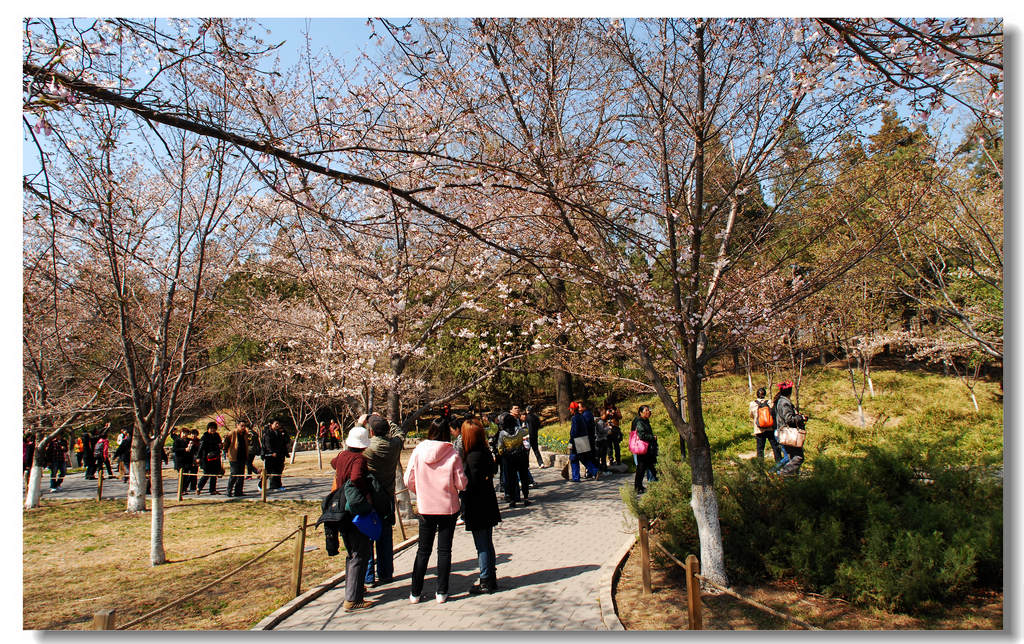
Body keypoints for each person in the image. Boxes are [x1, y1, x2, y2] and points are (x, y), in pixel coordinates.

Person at [404, 417, 467, 604]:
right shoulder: (452, 454)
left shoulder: (418, 451)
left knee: (423, 551)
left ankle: (415, 592)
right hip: (447, 507)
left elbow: (408, 479)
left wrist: (421, 490)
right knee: (444, 550)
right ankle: (441, 592)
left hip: (425, 507)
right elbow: (461, 483)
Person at [330, 425, 377, 612]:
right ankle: (353, 599)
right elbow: (357, 477)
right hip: (354, 508)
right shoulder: (359, 459)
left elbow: (334, 463)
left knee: (351, 551)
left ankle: (355, 588)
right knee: (360, 551)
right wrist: (365, 491)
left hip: (340, 506)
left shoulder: (342, 455)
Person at [461, 418, 501, 594]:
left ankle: (485, 580)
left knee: (482, 544)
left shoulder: (472, 457)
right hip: (487, 502)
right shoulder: (484, 451)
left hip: (477, 504)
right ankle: (491, 577)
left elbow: (471, 483)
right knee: (487, 542)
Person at [362, 414, 403, 587]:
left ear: (370, 431)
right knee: (385, 537)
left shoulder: (367, 448)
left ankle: (369, 576)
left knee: (367, 537)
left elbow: (352, 445)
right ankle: (386, 574)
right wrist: (388, 420)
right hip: (387, 496)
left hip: (370, 497)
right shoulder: (394, 445)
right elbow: (400, 434)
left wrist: (359, 423)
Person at [772, 381, 808, 476]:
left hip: (783, 433)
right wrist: (801, 418)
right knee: (798, 457)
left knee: (791, 457)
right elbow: (789, 419)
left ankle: (790, 480)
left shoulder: (780, 401)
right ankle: (782, 473)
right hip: (789, 434)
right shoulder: (785, 403)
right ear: (790, 391)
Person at [497, 412, 531, 507]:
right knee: (524, 477)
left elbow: (500, 448)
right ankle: (526, 498)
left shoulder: (502, 434)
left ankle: (513, 500)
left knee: (511, 479)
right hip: (521, 457)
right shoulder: (520, 431)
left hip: (509, 459)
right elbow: (527, 432)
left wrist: (503, 453)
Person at [569, 402, 600, 482]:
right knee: (584, 458)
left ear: (573, 409)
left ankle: (576, 477)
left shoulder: (574, 418)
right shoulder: (581, 416)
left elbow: (574, 432)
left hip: (577, 441)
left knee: (574, 458)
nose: (570, 411)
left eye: (570, 409)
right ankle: (595, 471)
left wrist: (571, 442)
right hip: (584, 439)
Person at [750, 387, 783, 461]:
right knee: (775, 447)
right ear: (765, 394)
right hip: (770, 428)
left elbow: (751, 415)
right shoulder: (769, 402)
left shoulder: (752, 404)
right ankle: (779, 463)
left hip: (759, 429)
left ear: (757, 394)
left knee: (760, 449)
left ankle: (761, 466)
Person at [632, 405, 658, 494]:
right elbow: (642, 435)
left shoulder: (645, 421)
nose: (648, 412)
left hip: (647, 448)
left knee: (644, 467)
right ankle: (638, 487)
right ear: (641, 412)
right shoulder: (639, 422)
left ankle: (638, 486)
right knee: (644, 467)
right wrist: (652, 437)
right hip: (643, 448)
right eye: (646, 410)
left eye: (648, 410)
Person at [196, 422, 223, 495]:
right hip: (206, 458)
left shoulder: (217, 435)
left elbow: (220, 445)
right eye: (211, 428)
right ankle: (199, 488)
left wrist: (220, 445)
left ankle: (212, 490)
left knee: (214, 474)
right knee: (206, 474)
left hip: (215, 457)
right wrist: (198, 457)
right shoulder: (205, 436)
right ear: (208, 429)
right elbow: (200, 448)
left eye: (214, 428)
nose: (212, 430)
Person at [223, 422, 249, 497]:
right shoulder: (232, 433)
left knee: (241, 475)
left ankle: (238, 491)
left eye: (244, 426)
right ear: (237, 425)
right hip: (234, 457)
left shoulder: (245, 434)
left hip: (242, 456)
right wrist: (225, 450)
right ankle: (229, 491)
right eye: (241, 426)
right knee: (234, 474)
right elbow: (226, 442)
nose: (243, 427)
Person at [263, 421, 287, 491]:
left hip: (279, 454)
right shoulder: (268, 433)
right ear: (271, 424)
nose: (277, 425)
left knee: (278, 470)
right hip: (271, 455)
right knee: (269, 471)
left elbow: (284, 441)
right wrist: (272, 452)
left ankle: (277, 485)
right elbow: (267, 444)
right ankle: (262, 485)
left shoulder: (279, 432)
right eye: (276, 423)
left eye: (278, 424)